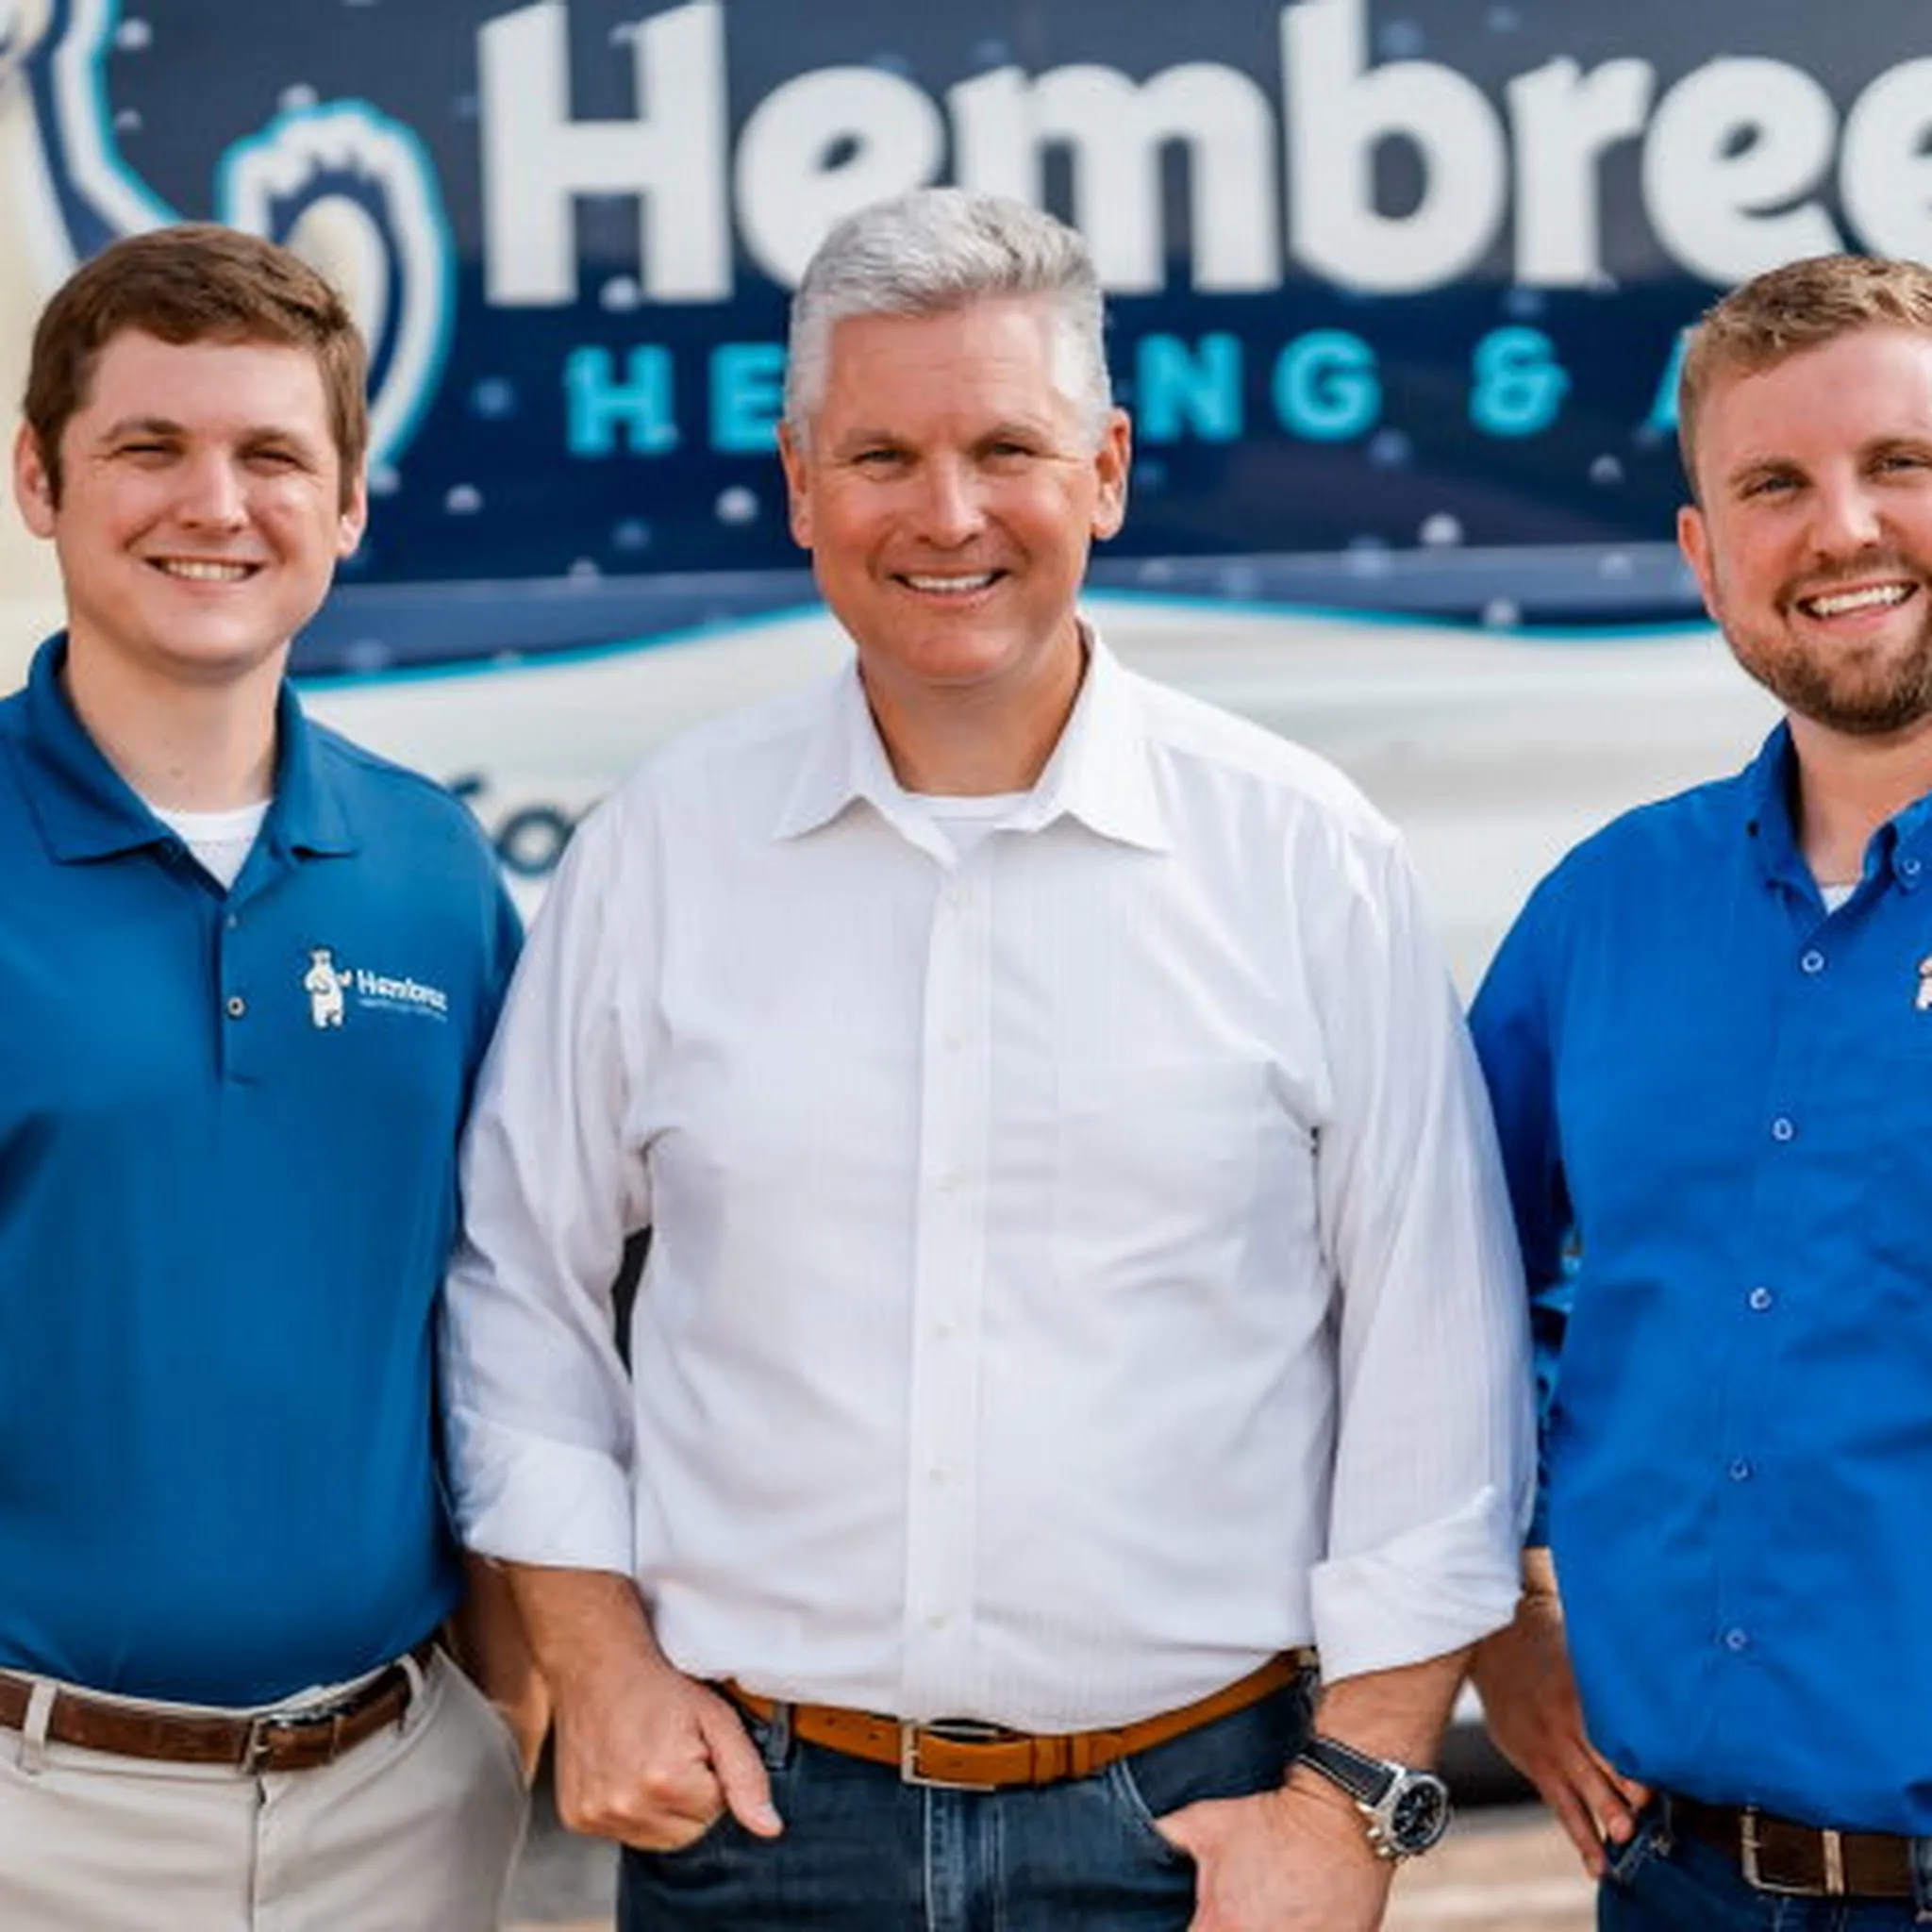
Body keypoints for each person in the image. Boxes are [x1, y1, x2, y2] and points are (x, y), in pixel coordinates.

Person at [443, 186, 1531, 1932]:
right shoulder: (661, 851)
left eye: (1005, 449)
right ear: (800, 483)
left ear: (1106, 470)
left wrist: (1354, 1806)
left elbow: (1435, 1358)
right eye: (881, 455)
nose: (947, 515)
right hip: (760, 1842)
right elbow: (516, 1282)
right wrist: (598, 1658)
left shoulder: (1303, 856)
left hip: (1188, 1839)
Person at [0, 223, 537, 1929]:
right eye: (148, 447)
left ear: (350, 503)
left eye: (272, 456)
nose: (214, 505)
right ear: (37, 478)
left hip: (395, 1803)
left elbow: (511, 1307)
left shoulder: (431, 869)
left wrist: (509, 1709)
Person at [1470, 252, 1932, 1928]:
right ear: (1704, 552)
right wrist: (1507, 1612)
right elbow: (1435, 1294)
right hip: (1685, 1887)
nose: (1844, 530)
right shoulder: (1605, 913)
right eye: (1774, 485)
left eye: (1899, 463)